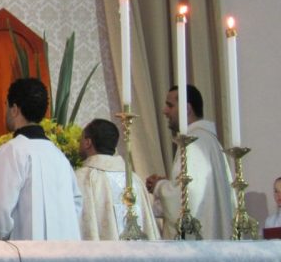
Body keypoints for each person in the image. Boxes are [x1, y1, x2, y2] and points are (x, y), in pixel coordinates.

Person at [0, 78, 82, 240]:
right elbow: (77, 205)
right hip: (65, 257)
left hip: (26, 258)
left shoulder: (12, 152)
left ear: (15, 109)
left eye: (6, 105)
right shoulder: (59, 156)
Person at [146, 85, 236, 239]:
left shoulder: (193, 143)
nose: (165, 111)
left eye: (170, 105)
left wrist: (158, 186)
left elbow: (185, 200)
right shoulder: (210, 140)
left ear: (187, 109)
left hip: (198, 245)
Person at [75, 118, 160, 240]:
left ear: (88, 142)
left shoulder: (82, 178)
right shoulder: (134, 180)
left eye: (81, 139)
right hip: (137, 254)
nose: (79, 143)